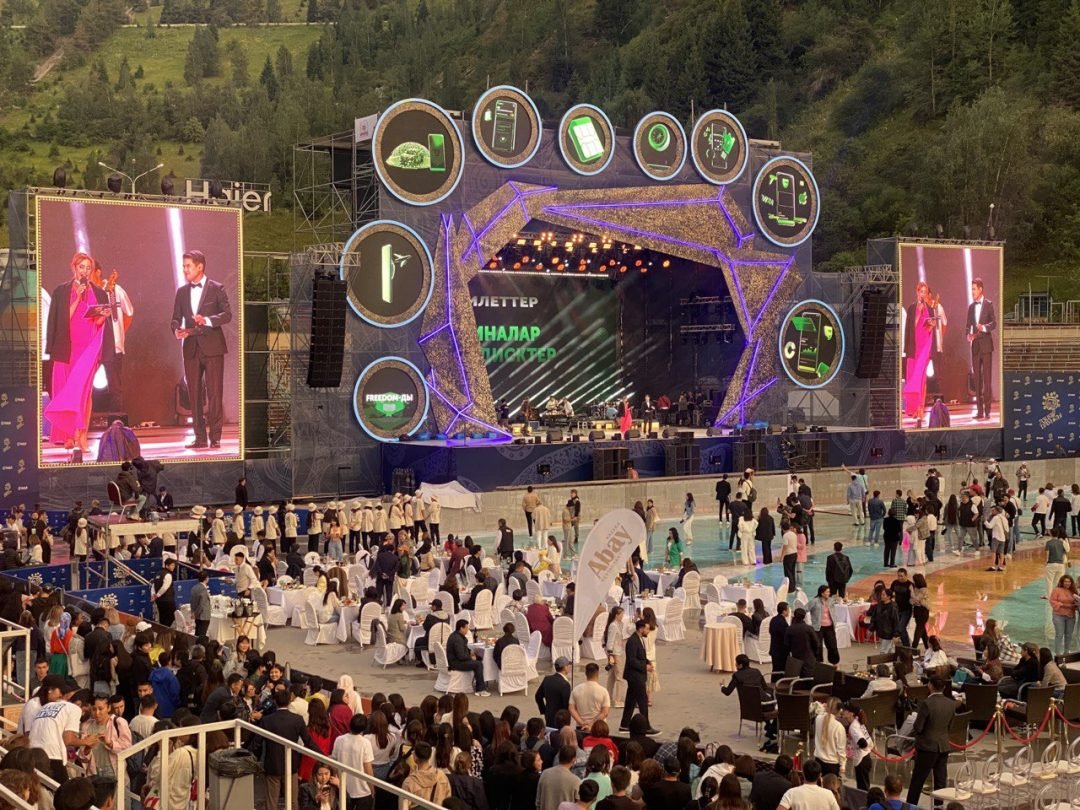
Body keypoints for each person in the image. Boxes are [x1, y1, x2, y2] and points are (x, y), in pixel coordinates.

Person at [44, 252, 111, 453]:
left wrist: (104, 315)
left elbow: (97, 323)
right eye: (81, 267)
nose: (85, 271)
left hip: (88, 349)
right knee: (67, 391)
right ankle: (67, 435)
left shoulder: (98, 292)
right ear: (74, 268)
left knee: (85, 392)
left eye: (88, 268)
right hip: (67, 348)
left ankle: (81, 436)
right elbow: (62, 319)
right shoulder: (61, 291)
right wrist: (78, 297)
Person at [170, 249, 232, 449]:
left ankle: (215, 437)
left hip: (213, 347)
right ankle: (199, 438)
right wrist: (177, 330)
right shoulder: (181, 292)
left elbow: (227, 314)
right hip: (191, 348)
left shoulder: (216, 288)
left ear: (200, 267)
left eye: (188, 266)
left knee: (214, 393)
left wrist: (206, 320)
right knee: (194, 395)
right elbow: (175, 318)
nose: (185, 270)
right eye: (183, 266)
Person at [906, 676, 958, 806]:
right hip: (943, 745)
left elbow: (918, 727)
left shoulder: (926, 703)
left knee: (918, 780)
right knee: (940, 781)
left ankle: (911, 807)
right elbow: (950, 726)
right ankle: (938, 807)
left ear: (930, 685)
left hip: (927, 747)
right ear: (943, 687)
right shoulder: (951, 703)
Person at [902, 281, 942, 426]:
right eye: (921, 291)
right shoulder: (912, 308)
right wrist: (919, 312)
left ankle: (920, 410)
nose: (923, 294)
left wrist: (931, 325)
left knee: (922, 380)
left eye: (925, 292)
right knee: (912, 379)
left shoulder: (930, 310)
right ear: (917, 292)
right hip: (914, 348)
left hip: (925, 348)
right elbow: (909, 329)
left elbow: (930, 331)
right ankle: (914, 408)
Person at [967, 277, 996, 421]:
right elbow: (968, 325)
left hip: (986, 346)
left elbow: (994, 323)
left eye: (974, 289)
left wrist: (983, 327)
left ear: (980, 289)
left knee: (987, 380)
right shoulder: (971, 307)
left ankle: (987, 410)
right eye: (972, 289)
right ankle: (979, 411)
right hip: (976, 347)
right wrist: (968, 335)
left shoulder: (989, 304)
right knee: (977, 380)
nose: (972, 292)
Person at [332, 714, 375, 810]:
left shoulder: (339, 740)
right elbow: (368, 768)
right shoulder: (365, 743)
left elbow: (334, 763)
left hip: (343, 787)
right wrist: (372, 787)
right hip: (362, 790)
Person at [619, 620, 656, 734]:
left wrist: (647, 662)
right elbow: (631, 660)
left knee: (630, 701)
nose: (648, 631)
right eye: (647, 629)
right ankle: (646, 727)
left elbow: (640, 656)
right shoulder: (632, 641)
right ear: (641, 629)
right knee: (643, 702)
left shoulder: (639, 639)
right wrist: (644, 666)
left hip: (636, 676)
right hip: (635, 676)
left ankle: (624, 725)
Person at [447, 620, 490, 697]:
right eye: (466, 628)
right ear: (461, 628)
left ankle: (480, 681)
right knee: (478, 664)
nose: (468, 630)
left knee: (479, 658)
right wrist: (470, 657)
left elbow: (463, 649)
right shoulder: (457, 639)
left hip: (457, 660)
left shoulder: (457, 635)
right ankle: (480, 689)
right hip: (456, 663)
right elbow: (461, 656)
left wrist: (470, 653)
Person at [569, 662, 611, 731]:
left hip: (581, 727)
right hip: (598, 727)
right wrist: (591, 724)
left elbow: (571, 709)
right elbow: (605, 712)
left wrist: (582, 723)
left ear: (586, 673)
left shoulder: (576, 689)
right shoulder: (603, 691)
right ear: (598, 673)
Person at [537, 745, 582, 810]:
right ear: (574, 759)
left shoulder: (545, 773)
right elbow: (579, 805)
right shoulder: (576, 781)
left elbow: (538, 801)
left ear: (559, 757)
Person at [812, 698, 845, 777]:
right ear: (839, 710)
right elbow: (841, 750)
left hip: (818, 761)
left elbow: (819, 711)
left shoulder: (818, 719)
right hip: (832, 764)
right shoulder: (839, 727)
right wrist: (843, 765)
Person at [536, 657, 573, 728]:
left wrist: (544, 710)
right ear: (565, 667)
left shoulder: (547, 679)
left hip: (548, 715)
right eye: (568, 666)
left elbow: (538, 696)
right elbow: (566, 704)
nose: (569, 667)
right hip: (561, 719)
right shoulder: (565, 684)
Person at [808, 587, 840, 666]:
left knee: (832, 645)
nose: (829, 593)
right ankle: (818, 663)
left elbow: (833, 611)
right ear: (822, 593)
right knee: (818, 646)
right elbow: (804, 609)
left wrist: (835, 621)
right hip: (818, 627)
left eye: (829, 592)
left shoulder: (830, 600)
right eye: (827, 592)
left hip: (829, 626)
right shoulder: (814, 601)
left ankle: (835, 662)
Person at [1051, 574, 1079, 656]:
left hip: (1071, 616)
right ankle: (1057, 654)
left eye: (1069, 581)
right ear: (1062, 582)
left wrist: (1076, 605)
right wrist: (1063, 605)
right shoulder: (1056, 590)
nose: (1067, 583)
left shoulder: (1073, 591)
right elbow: (1052, 601)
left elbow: (1076, 603)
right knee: (1059, 635)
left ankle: (1066, 653)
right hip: (1059, 615)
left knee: (1069, 635)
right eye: (1066, 581)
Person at [151, 559, 176, 629]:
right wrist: (157, 595)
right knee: (170, 618)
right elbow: (165, 587)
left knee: (162, 618)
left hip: (159, 601)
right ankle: (166, 633)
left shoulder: (158, 574)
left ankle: (162, 632)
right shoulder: (168, 575)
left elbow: (153, 586)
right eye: (172, 565)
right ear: (167, 566)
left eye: (174, 565)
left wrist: (153, 595)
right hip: (167, 600)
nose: (173, 567)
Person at [190, 572, 211, 638]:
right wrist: (196, 614)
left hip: (197, 616)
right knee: (201, 635)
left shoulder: (194, 588)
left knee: (197, 633)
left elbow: (192, 602)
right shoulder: (203, 590)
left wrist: (193, 612)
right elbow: (202, 605)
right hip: (203, 615)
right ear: (206, 578)